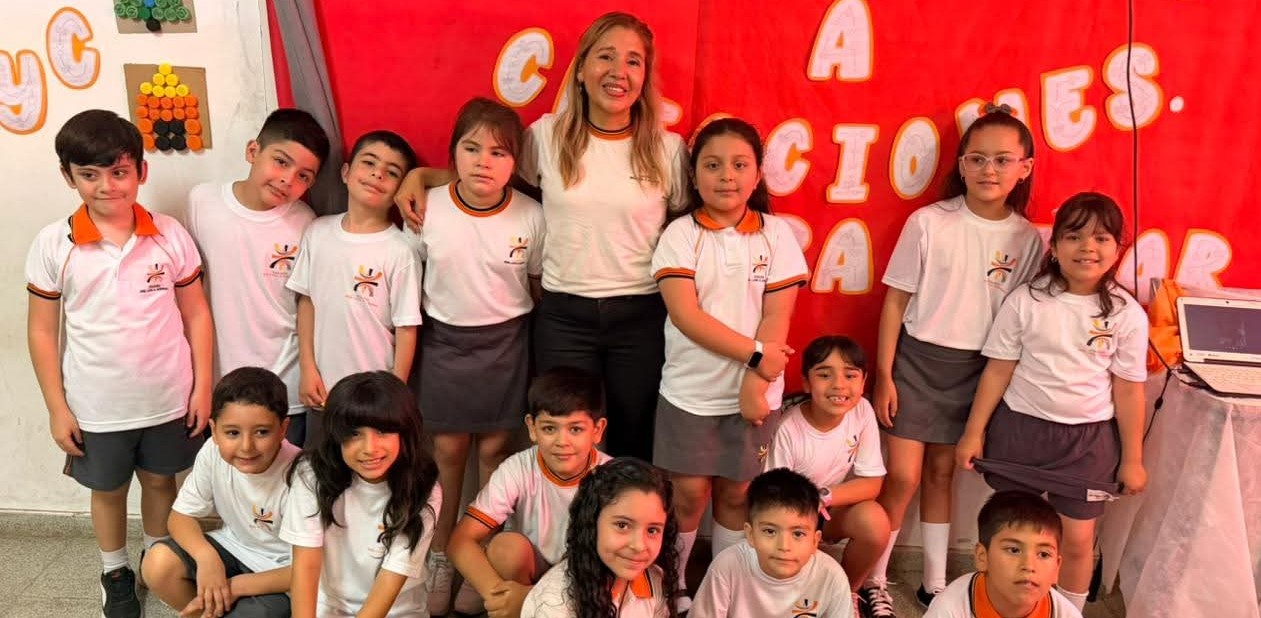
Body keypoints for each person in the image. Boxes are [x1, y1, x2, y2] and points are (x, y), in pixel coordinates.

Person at [396, 11, 688, 461]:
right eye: (606, 56)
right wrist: (421, 175)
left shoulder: (668, 150)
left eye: (633, 61)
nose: (619, 71)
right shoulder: (547, 136)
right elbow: (489, 176)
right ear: (582, 69)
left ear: (645, 77)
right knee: (562, 442)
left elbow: (694, 221)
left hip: (640, 317)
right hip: (564, 318)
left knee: (633, 439)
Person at [26, 109, 212, 618]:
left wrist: (201, 388)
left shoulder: (169, 235)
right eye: (90, 174)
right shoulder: (54, 244)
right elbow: (42, 331)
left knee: (161, 482)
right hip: (96, 405)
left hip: (169, 396)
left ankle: (156, 557)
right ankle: (115, 572)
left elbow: (197, 314)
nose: (107, 186)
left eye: (119, 172)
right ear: (69, 176)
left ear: (140, 172)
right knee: (108, 491)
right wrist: (57, 408)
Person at [870, 105, 1044, 614]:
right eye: (977, 159)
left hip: (976, 372)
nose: (989, 170)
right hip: (915, 364)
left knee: (942, 475)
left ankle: (934, 584)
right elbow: (895, 303)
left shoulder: (1027, 239)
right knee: (903, 477)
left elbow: (1018, 325)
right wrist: (884, 375)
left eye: (1002, 160)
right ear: (962, 164)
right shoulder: (929, 222)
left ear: (1024, 168)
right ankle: (874, 580)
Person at [957, 192, 1148, 612]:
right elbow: (998, 371)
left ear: (1118, 249)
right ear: (1055, 246)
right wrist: (973, 433)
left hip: (1087, 443)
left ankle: (1069, 610)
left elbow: (1128, 390)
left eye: (1101, 238)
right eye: (1074, 236)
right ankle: (1001, 607)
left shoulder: (1127, 314)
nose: (1087, 248)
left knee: (1077, 541)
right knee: (1010, 532)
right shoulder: (1027, 300)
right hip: (1020, 431)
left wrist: (1133, 459)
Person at [650, 117, 807, 609]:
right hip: (690, 392)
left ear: (758, 174)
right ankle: (674, 585)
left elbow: (777, 314)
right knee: (688, 495)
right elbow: (686, 315)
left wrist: (755, 383)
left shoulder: (777, 235)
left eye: (740, 165)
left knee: (738, 494)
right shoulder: (680, 234)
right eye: (712, 165)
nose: (727, 176)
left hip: (756, 394)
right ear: (693, 175)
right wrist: (756, 357)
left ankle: (725, 588)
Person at [408, 97, 545, 615]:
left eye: (498, 152)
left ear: (516, 163)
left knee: (494, 452)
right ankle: (442, 554)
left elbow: (537, 286)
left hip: (507, 344)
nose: (483, 162)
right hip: (443, 343)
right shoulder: (427, 206)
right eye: (471, 148)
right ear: (453, 154)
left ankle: (481, 557)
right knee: (447, 452)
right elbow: (410, 281)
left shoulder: (532, 215)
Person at [186, 108, 329, 446]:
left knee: (284, 475)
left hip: (285, 384)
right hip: (220, 382)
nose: (288, 180)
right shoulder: (202, 201)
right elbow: (191, 291)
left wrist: (308, 369)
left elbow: (307, 303)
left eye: (304, 176)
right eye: (281, 162)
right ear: (253, 151)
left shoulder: (306, 222)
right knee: (225, 474)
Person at [287, 131, 423, 438]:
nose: (377, 174)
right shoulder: (317, 232)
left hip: (374, 398)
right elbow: (306, 302)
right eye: (369, 163)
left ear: (400, 189)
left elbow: (406, 328)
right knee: (322, 465)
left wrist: (395, 393)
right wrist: (307, 368)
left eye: (391, 172)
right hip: (322, 392)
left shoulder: (401, 250)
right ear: (346, 172)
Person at [448, 367, 612, 618]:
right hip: (528, 570)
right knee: (505, 549)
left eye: (575, 429)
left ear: (598, 430)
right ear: (532, 428)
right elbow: (460, 541)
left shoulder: (612, 477)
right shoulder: (518, 468)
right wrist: (501, 598)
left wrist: (533, 600)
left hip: (583, 577)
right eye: (549, 429)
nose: (562, 441)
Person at [280, 371, 442, 617]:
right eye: (354, 434)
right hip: (328, 605)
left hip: (396, 611)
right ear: (336, 436)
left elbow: (391, 578)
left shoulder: (423, 488)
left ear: (405, 431)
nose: (369, 448)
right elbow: (306, 564)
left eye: (383, 431)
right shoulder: (311, 474)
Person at [142, 367, 300, 618]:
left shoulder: (303, 476)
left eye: (262, 432)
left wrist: (233, 586)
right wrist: (207, 559)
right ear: (214, 431)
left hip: (283, 571)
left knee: (262, 614)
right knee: (157, 564)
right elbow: (179, 517)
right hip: (234, 547)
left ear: (283, 429)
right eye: (232, 433)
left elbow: (310, 569)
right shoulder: (212, 451)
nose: (246, 447)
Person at [765, 335, 891, 613]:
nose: (839, 385)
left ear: (863, 382)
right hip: (790, 515)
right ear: (807, 383)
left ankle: (848, 593)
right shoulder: (789, 428)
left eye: (850, 375)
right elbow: (774, 500)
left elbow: (872, 484)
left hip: (826, 509)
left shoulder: (862, 411)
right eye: (824, 375)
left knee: (874, 522)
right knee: (799, 595)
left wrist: (823, 496)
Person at [519, 457, 680, 618]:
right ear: (592, 523)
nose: (639, 545)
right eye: (622, 525)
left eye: (652, 530)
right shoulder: (554, 604)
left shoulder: (654, 579)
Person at [690, 468, 853, 618]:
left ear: (814, 541)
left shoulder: (831, 576)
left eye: (798, 534)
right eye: (770, 531)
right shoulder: (727, 566)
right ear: (750, 535)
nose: (784, 546)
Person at [924, 491, 1082, 618]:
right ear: (982, 556)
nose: (1029, 566)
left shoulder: (1065, 613)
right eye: (1014, 550)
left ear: (1057, 568)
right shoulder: (950, 608)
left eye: (1043, 554)